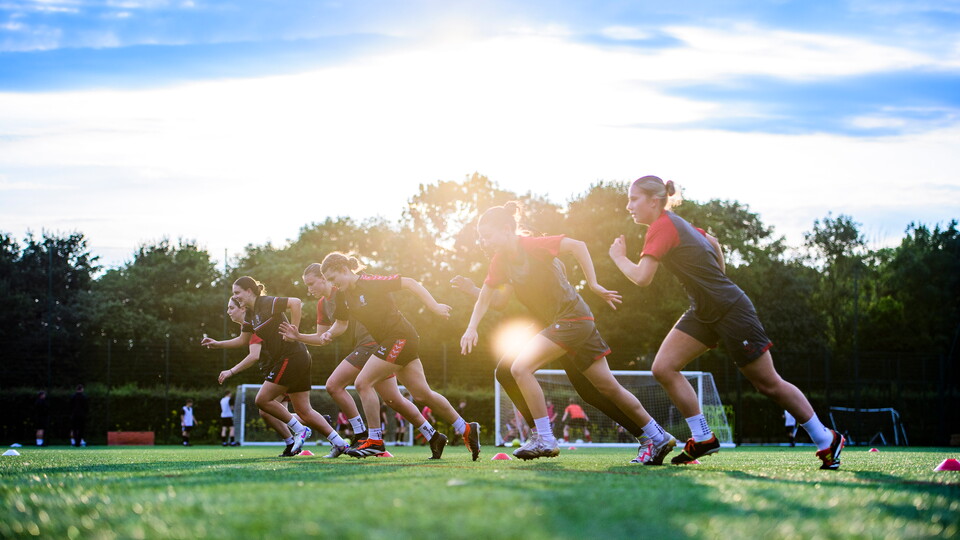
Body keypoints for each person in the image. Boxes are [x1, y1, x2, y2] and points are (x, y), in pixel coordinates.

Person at [608, 175, 845, 469]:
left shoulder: (662, 227)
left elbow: (642, 278)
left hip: (731, 310)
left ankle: (826, 438)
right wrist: (717, 278)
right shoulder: (677, 224)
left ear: (653, 201)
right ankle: (703, 437)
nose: (628, 205)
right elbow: (713, 242)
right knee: (664, 367)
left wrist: (618, 257)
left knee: (767, 383)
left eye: (634, 199)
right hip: (704, 311)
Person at [459, 201, 675, 462]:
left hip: (571, 319)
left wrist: (593, 284)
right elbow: (487, 297)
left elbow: (577, 245)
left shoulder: (531, 246)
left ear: (506, 229)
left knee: (519, 369)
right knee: (606, 387)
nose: (483, 242)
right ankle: (657, 435)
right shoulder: (500, 261)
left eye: (487, 236)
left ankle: (545, 439)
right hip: (572, 322)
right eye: (480, 238)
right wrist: (471, 327)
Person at [451, 275, 659, 463]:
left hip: (564, 325)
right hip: (546, 327)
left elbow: (574, 248)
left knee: (592, 392)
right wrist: (473, 290)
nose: (484, 244)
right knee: (506, 372)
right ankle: (540, 436)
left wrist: (594, 283)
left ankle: (648, 436)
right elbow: (499, 300)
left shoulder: (538, 255)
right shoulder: (511, 262)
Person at [316, 252, 481, 460]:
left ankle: (375, 440)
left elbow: (410, 283)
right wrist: (330, 333)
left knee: (363, 383)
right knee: (422, 394)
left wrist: (434, 306)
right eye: (328, 281)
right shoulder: (342, 296)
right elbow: (340, 324)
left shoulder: (370, 282)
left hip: (401, 337)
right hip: (391, 342)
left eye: (333, 278)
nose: (332, 284)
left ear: (345, 270)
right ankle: (466, 428)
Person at [278, 263, 444, 456]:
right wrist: (298, 336)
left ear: (325, 278)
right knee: (394, 400)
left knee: (334, 384)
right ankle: (433, 435)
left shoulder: (346, 290)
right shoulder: (323, 303)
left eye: (312, 283)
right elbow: (322, 337)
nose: (309, 289)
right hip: (373, 348)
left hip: (374, 344)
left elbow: (378, 292)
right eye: (306, 285)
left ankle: (363, 435)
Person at [202, 276, 349, 458]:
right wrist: (217, 343)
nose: (236, 297)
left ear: (249, 291)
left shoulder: (266, 302)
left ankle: (299, 430)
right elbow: (242, 340)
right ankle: (340, 443)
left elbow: (296, 302)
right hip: (297, 357)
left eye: (237, 293)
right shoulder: (249, 314)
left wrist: (294, 331)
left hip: (292, 356)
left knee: (262, 400)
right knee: (304, 410)